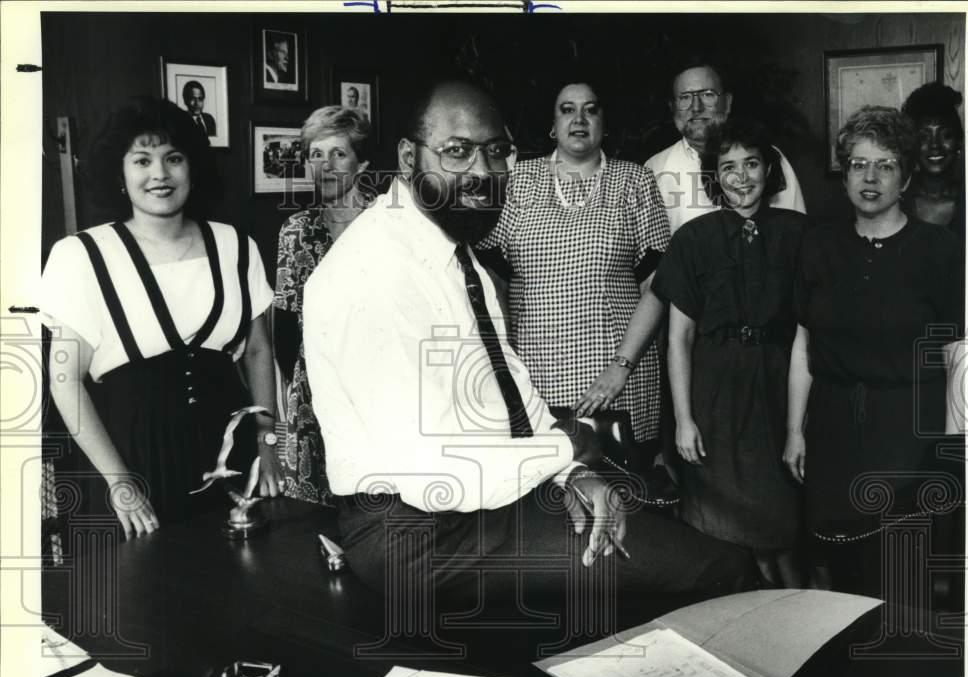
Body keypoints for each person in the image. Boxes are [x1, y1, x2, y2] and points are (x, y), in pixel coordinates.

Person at [303, 78, 756, 610]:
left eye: (497, 152)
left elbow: (508, 388)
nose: (482, 172)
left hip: (488, 498)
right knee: (720, 573)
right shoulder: (370, 273)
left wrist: (573, 475)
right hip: (418, 536)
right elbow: (436, 477)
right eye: (457, 151)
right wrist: (576, 444)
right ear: (408, 158)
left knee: (701, 562)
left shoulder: (450, 246)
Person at [40, 96, 281, 538]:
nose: (160, 174)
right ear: (119, 171)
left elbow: (260, 349)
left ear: (193, 167)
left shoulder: (236, 246)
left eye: (174, 158)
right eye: (142, 160)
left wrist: (268, 445)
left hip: (227, 456)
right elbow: (64, 379)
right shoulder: (81, 256)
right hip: (130, 462)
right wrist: (119, 481)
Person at [583, 119, 809, 587]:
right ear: (714, 177)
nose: (740, 177)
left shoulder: (801, 234)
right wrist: (684, 420)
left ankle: (791, 623)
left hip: (776, 392)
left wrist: (796, 429)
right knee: (722, 536)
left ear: (769, 170)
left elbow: (810, 333)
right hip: (712, 401)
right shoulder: (694, 238)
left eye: (751, 164)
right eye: (728, 167)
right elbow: (678, 338)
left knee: (783, 532)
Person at [785, 106, 963, 595]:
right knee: (828, 570)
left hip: (908, 432)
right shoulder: (818, 246)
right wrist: (793, 432)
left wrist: (948, 449)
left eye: (885, 165)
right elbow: (804, 344)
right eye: (859, 163)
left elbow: (955, 356)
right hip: (832, 428)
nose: (870, 177)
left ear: (905, 177)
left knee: (900, 575)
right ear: (844, 174)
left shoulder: (940, 250)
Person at [481, 79, 670, 459]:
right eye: (567, 109)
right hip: (535, 376)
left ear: (604, 122)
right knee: (546, 493)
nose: (579, 118)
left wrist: (621, 367)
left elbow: (658, 284)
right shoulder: (518, 180)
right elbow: (490, 280)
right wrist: (506, 366)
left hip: (617, 377)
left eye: (591, 109)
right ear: (553, 123)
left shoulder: (635, 180)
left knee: (626, 496)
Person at [273, 106, 373, 505]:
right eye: (316, 154)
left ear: (362, 163)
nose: (325, 165)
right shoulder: (296, 230)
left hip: (377, 389)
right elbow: (283, 327)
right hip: (313, 393)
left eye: (338, 153)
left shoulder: (388, 223)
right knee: (313, 522)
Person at [644, 58, 806, 236]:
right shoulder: (654, 169)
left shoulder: (769, 157)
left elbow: (796, 233)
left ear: (727, 103)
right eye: (684, 98)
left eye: (707, 95)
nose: (696, 107)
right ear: (673, 107)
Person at [901, 82, 964, 235]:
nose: (935, 145)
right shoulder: (895, 201)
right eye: (923, 137)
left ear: (959, 142)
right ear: (912, 144)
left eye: (946, 135)